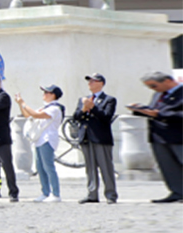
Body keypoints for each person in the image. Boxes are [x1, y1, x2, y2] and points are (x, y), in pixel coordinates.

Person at [128, 71, 183, 203]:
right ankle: (178, 192)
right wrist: (141, 110)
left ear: (168, 80)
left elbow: (167, 113)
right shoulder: (158, 95)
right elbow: (155, 111)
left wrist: (159, 114)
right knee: (169, 168)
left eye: (153, 85)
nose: (152, 89)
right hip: (159, 137)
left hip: (179, 135)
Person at [73, 74, 118, 204]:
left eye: (93, 81)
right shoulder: (83, 99)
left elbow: (106, 117)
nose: (90, 83)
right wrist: (84, 108)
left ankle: (110, 194)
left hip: (100, 137)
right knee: (90, 168)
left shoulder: (109, 99)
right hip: (86, 136)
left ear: (101, 83)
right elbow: (76, 117)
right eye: (89, 81)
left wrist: (92, 107)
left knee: (106, 168)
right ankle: (92, 194)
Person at [17, 85, 65, 202]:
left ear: (53, 95)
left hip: (48, 139)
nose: (44, 94)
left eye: (47, 92)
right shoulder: (46, 107)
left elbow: (36, 115)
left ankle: (56, 194)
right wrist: (20, 104)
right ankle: (45, 192)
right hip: (39, 139)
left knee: (49, 167)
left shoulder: (55, 108)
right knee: (40, 167)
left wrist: (23, 103)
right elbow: (28, 115)